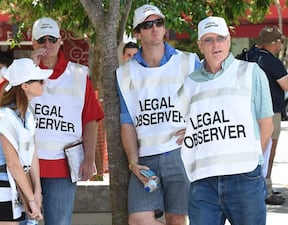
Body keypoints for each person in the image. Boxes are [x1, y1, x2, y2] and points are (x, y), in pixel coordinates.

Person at [178, 16, 273, 225]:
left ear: (229, 40)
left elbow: (266, 124)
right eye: (209, 40)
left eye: (220, 38)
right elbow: (181, 127)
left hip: (245, 178)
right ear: (200, 45)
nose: (216, 45)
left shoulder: (250, 72)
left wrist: (254, 161)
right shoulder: (190, 84)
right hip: (203, 182)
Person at [115, 4, 200, 225]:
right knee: (139, 220)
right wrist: (133, 162)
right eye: (147, 25)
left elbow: (205, 104)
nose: (154, 28)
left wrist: (196, 129)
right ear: (137, 32)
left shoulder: (189, 61)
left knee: (176, 218)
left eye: (158, 23)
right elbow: (127, 121)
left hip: (180, 154)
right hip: (146, 158)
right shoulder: (124, 73)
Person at [29, 17, 104, 225]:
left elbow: (90, 119)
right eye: (41, 40)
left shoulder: (79, 74)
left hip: (62, 168)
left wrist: (89, 158)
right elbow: (3, 100)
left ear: (60, 40)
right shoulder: (24, 72)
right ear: (33, 43)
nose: (47, 44)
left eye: (52, 39)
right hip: (26, 166)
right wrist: (30, 67)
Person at [0, 58, 51, 224]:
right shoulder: (4, 116)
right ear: (25, 86)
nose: (44, 83)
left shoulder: (27, 114)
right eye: (40, 80)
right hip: (2, 187)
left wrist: (37, 191)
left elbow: (32, 152)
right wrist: (32, 199)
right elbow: (13, 163)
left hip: (21, 186)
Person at [237, 26, 288, 205]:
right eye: (280, 41)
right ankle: (265, 190)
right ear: (274, 43)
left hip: (243, 113)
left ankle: (248, 188)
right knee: (267, 152)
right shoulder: (271, 61)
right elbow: (286, 85)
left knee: (246, 151)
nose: (281, 44)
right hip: (269, 113)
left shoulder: (244, 57)